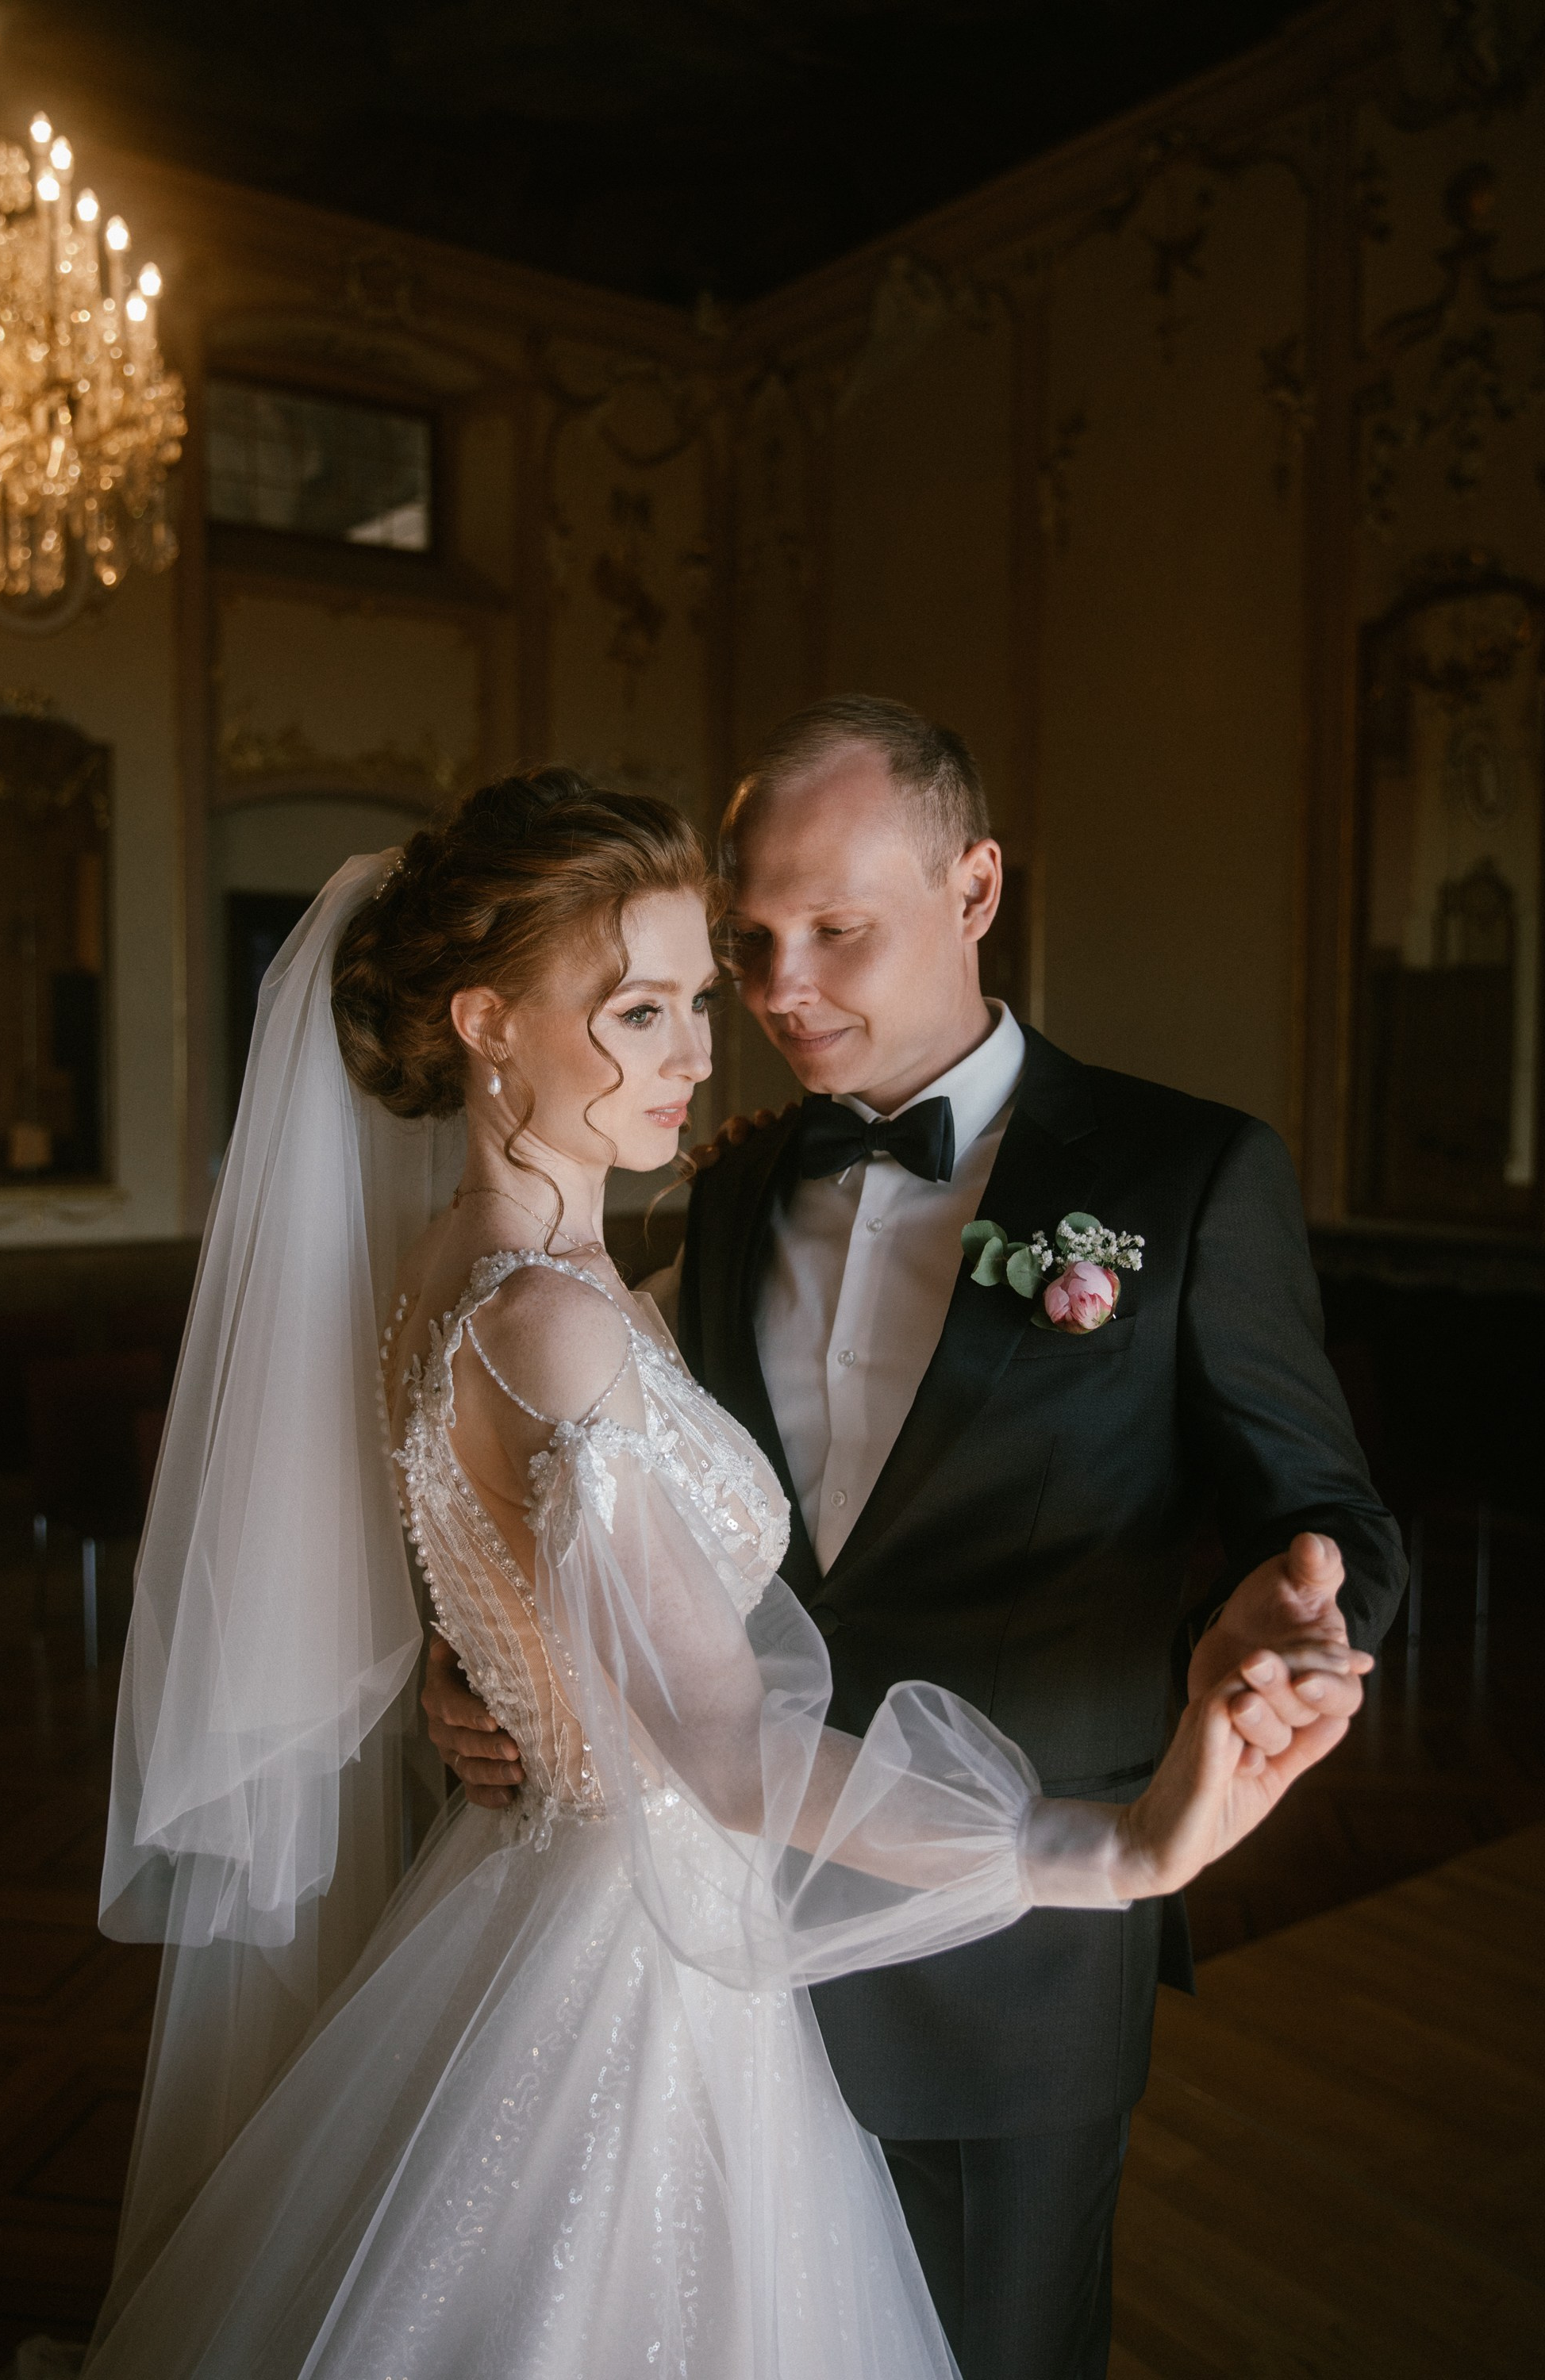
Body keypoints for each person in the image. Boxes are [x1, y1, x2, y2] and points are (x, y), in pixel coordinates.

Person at [84, 769, 1365, 2378]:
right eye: (642, 1009)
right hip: (654, 1951)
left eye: (700, 998)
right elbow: (720, 1736)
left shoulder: (505, 1271)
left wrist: (499, 1660)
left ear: (972, 890)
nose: (704, 1048)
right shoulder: (559, 1307)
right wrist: (1112, 1851)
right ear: (487, 1024)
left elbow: (506, 1536)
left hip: (670, 1918)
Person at [424, 714, 1405, 2380]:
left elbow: (1321, 1514)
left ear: (975, 887)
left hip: (1008, 1939)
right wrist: (489, 1666)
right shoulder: (726, 1185)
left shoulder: (1183, 1173)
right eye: (748, 942)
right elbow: (584, 1497)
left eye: (835, 930)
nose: (778, 985)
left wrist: (1287, 1628)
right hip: (700, 1942)